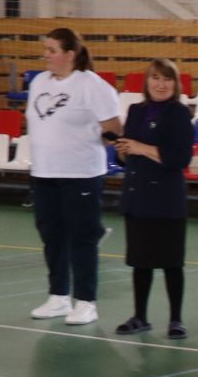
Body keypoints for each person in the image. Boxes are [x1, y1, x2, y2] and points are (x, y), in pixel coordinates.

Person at [23, 27, 123, 327]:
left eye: (52, 50)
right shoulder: (39, 82)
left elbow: (114, 129)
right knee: (51, 235)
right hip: (44, 172)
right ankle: (58, 296)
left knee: (82, 237)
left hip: (80, 174)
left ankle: (86, 301)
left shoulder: (92, 86)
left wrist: (94, 141)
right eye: (45, 50)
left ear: (70, 54)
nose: (46, 56)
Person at [114, 58, 195, 337]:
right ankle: (140, 316)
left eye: (167, 79)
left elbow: (179, 158)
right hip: (138, 196)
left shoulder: (179, 113)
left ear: (175, 84)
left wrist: (140, 147)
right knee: (141, 262)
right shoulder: (136, 110)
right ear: (147, 82)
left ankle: (176, 319)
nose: (161, 84)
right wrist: (123, 150)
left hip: (167, 199)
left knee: (172, 262)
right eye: (155, 78)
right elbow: (126, 154)